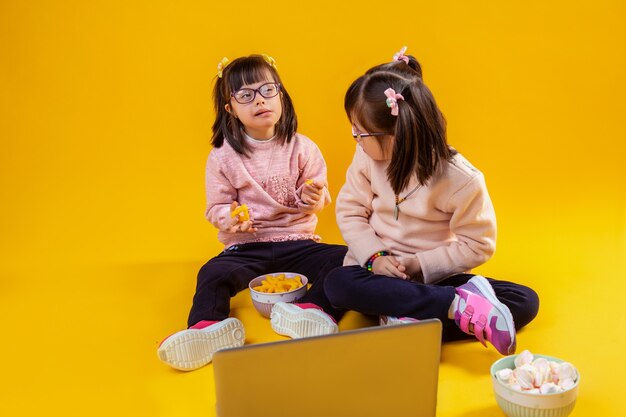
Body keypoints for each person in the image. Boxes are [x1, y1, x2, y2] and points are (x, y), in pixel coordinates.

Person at [269, 47, 539, 355]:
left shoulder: (461, 180)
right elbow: (350, 210)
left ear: (396, 136)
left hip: (429, 278)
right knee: (337, 282)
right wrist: (375, 258)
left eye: (361, 133)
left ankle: (407, 317)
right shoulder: (366, 158)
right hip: (373, 274)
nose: (355, 138)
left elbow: (477, 244)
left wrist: (416, 266)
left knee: (525, 301)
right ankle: (450, 307)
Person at [157, 54, 347, 371]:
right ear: (231, 109)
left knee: (347, 259)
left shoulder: (304, 148)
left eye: (267, 90)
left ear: (281, 95)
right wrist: (229, 218)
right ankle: (206, 329)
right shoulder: (222, 156)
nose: (260, 101)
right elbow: (216, 207)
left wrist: (313, 197)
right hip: (247, 248)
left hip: (299, 242)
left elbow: (319, 197)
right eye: (246, 95)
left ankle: (313, 312)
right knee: (211, 273)